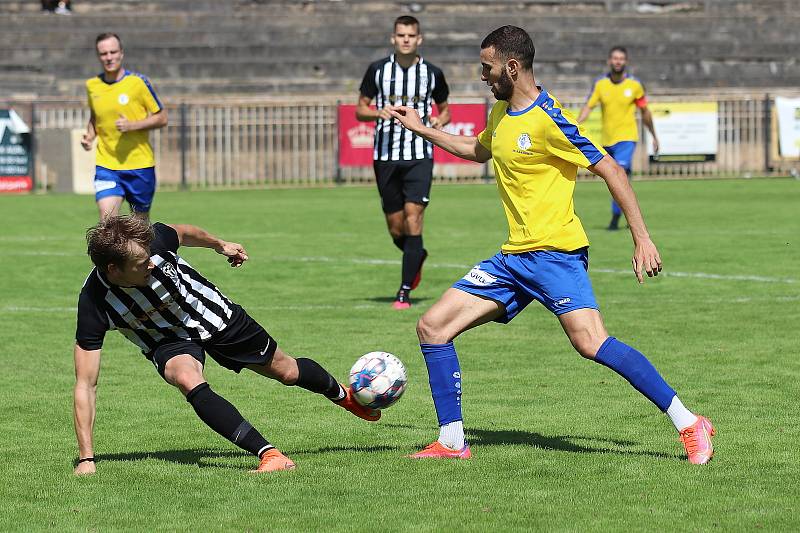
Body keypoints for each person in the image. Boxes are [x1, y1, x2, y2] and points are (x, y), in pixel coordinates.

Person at [388, 26, 715, 464]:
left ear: (511, 67)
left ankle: (689, 422)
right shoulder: (500, 115)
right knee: (432, 328)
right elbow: (475, 150)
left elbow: (613, 170)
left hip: (556, 255)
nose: (481, 76)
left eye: (486, 68)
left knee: (593, 343)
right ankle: (451, 441)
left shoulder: (550, 118)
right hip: (512, 259)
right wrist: (421, 129)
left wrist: (642, 238)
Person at [73, 215, 379, 475]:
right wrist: (87, 458)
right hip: (167, 339)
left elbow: (183, 232)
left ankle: (343, 396)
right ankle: (270, 455)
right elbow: (86, 384)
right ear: (113, 269)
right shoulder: (94, 304)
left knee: (287, 371)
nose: (150, 264)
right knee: (186, 378)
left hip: (214, 314)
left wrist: (221, 245)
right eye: (141, 264)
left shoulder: (155, 244)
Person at [356, 15, 451, 309]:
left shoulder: (432, 73)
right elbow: (360, 109)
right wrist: (377, 113)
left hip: (419, 154)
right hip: (385, 156)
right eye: (401, 35)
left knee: (414, 218)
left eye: (411, 35)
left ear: (419, 39)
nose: (406, 39)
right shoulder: (377, 70)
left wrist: (437, 120)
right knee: (397, 227)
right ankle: (416, 254)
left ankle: (404, 292)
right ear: (393, 39)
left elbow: (445, 110)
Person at [81, 33, 167, 220]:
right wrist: (89, 135)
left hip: (140, 165)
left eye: (113, 52)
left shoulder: (137, 83)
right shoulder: (92, 85)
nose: (109, 57)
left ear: (121, 53)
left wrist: (133, 125)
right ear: (98, 56)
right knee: (107, 222)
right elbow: (96, 116)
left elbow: (162, 117)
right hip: (107, 164)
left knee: (140, 228)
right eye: (104, 53)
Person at [577, 46, 659, 230]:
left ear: (626, 61)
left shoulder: (634, 85)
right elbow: (588, 107)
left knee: (618, 173)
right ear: (609, 61)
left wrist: (653, 135)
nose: (618, 61)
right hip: (607, 141)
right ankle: (622, 214)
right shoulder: (600, 84)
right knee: (617, 180)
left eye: (621, 58)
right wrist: (573, 126)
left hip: (627, 138)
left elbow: (645, 112)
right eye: (615, 58)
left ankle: (616, 219)